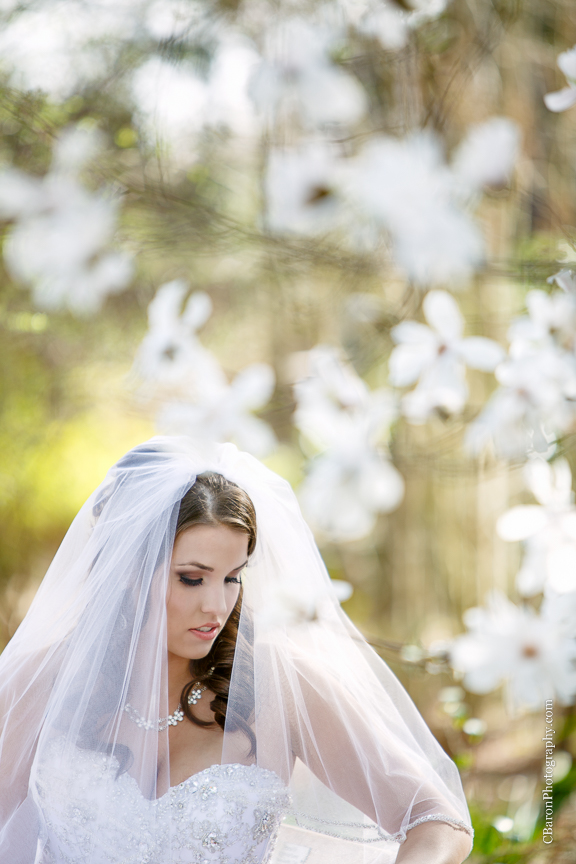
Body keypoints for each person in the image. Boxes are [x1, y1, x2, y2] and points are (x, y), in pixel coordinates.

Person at [0, 437, 474, 864]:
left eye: (232, 578)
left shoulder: (279, 685)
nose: (216, 606)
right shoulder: (41, 682)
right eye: (191, 578)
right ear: (130, 569)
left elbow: (438, 821)